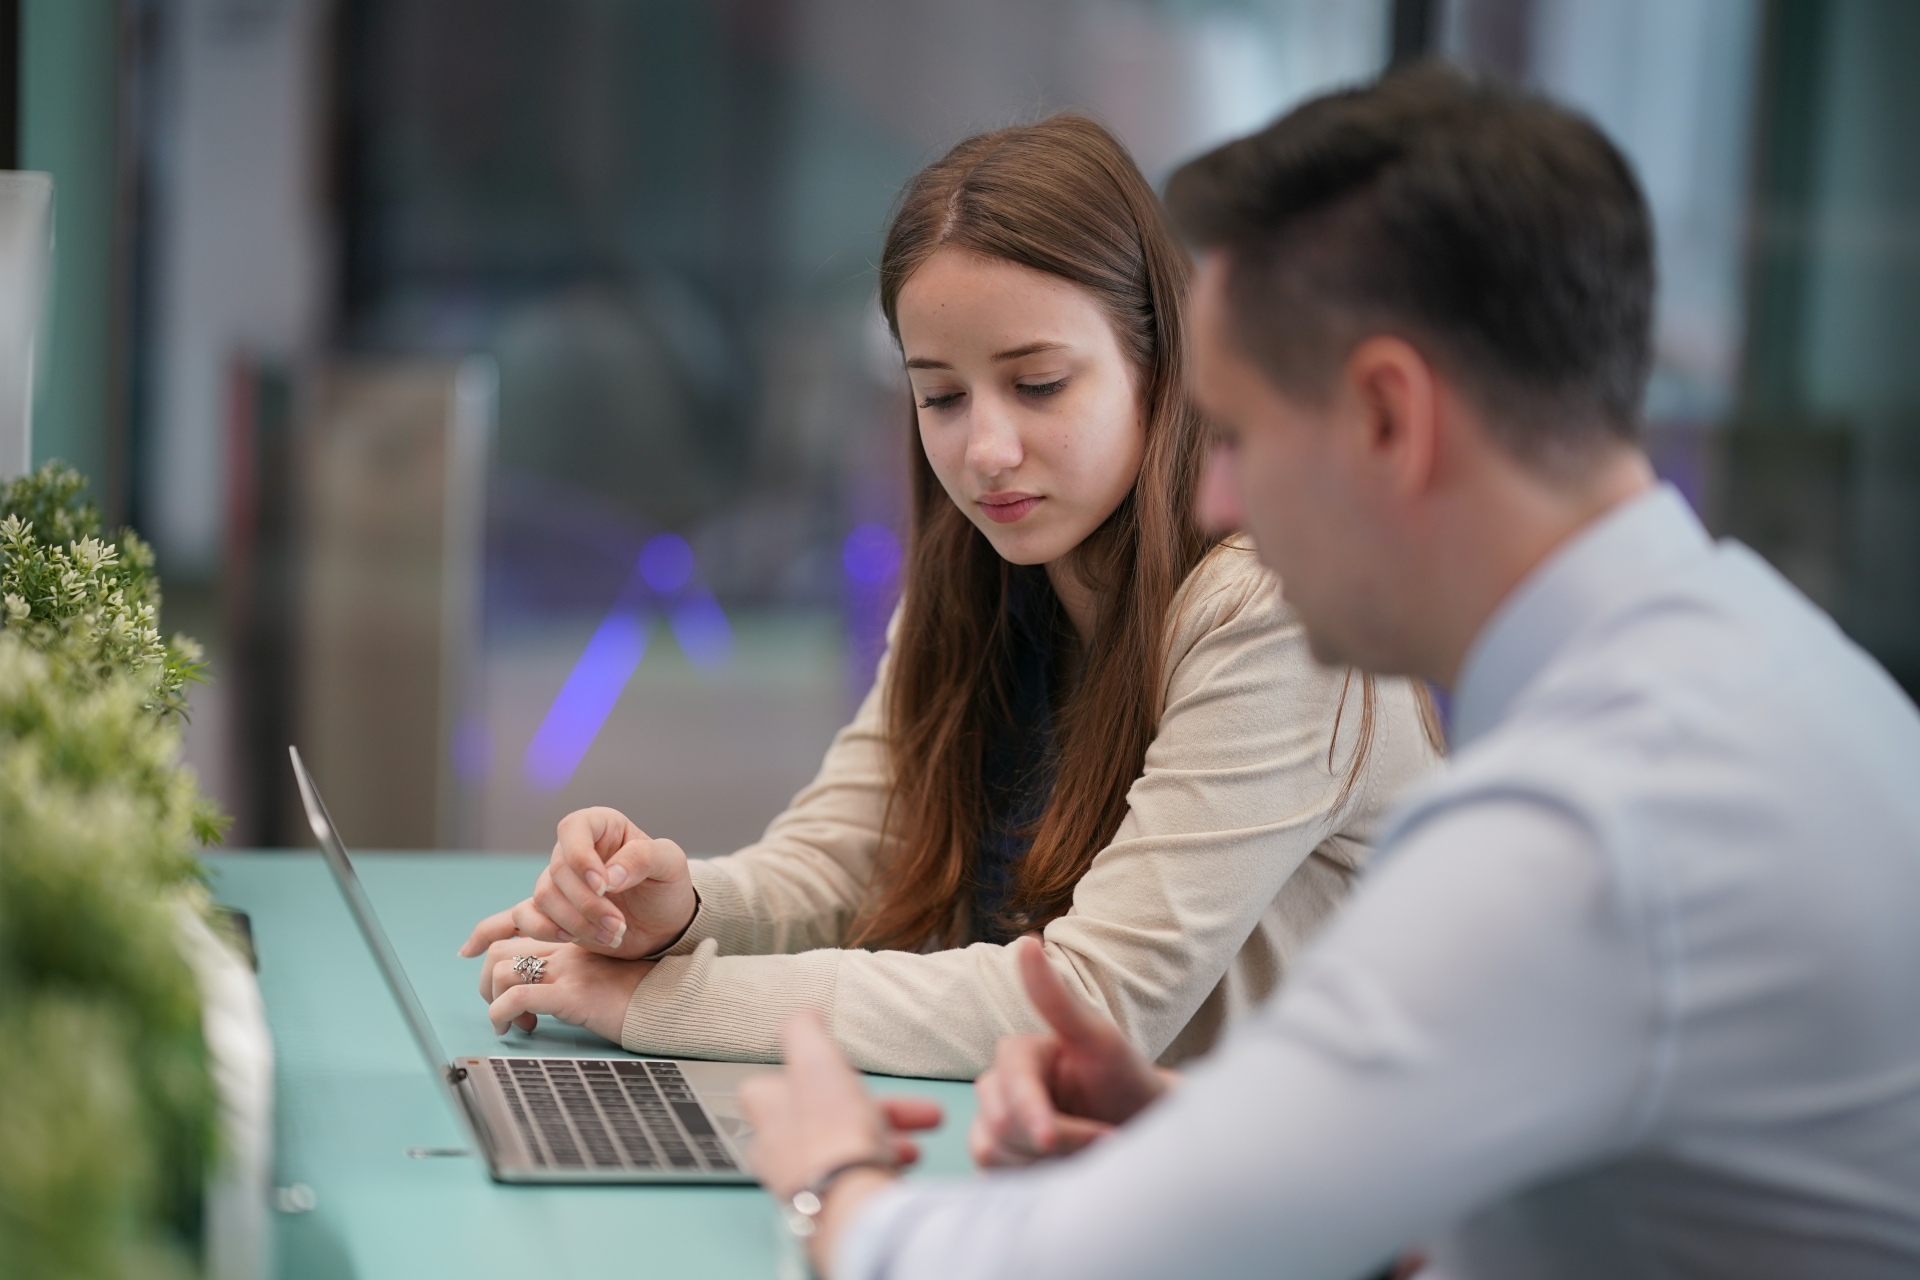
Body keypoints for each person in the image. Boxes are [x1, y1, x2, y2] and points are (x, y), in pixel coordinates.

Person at [736, 66, 1920, 1279]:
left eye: (1240, 432)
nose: (1213, 494)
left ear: (1387, 419)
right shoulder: (1764, 664)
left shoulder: (1580, 824)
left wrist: (840, 1185)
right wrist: (1213, 1138)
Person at [460, 114, 1439, 1079]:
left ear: (1158, 364)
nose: (985, 450)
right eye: (942, 395)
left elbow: (1091, 1002)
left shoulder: (1271, 612)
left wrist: (656, 1000)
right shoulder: (984, 577)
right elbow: (843, 864)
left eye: (1041, 384)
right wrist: (670, 912)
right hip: (1085, 1165)